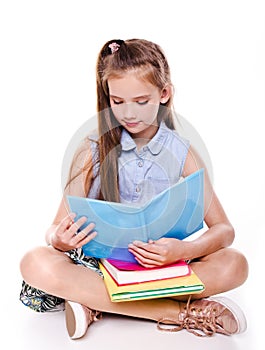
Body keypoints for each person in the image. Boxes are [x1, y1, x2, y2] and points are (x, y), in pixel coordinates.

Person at [19, 38, 249, 340]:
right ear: (108, 97)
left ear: (164, 94)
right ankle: (181, 313)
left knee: (235, 264)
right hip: (99, 267)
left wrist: (184, 250)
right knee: (35, 262)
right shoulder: (93, 148)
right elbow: (53, 229)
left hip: (161, 266)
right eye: (118, 102)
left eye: (141, 102)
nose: (129, 113)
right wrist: (59, 240)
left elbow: (224, 230)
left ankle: (94, 304)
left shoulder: (182, 152)